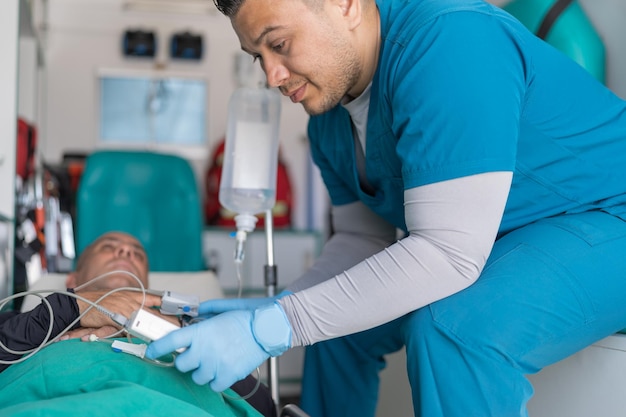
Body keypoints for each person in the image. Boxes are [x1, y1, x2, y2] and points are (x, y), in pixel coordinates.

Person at [145, 1, 626, 416]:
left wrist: (270, 327)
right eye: (258, 56)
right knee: (329, 325)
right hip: (506, 242)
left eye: (280, 43)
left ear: (347, 5)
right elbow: (360, 240)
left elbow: (449, 252)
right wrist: (277, 309)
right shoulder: (327, 121)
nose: (272, 75)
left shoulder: (449, 42)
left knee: (454, 326)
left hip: (609, 217)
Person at [0, 231, 276, 417]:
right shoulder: (28, 323)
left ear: (146, 284)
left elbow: (262, 406)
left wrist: (173, 331)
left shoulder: (192, 336)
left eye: (138, 254)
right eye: (108, 248)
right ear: (73, 279)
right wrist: (74, 307)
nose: (125, 251)